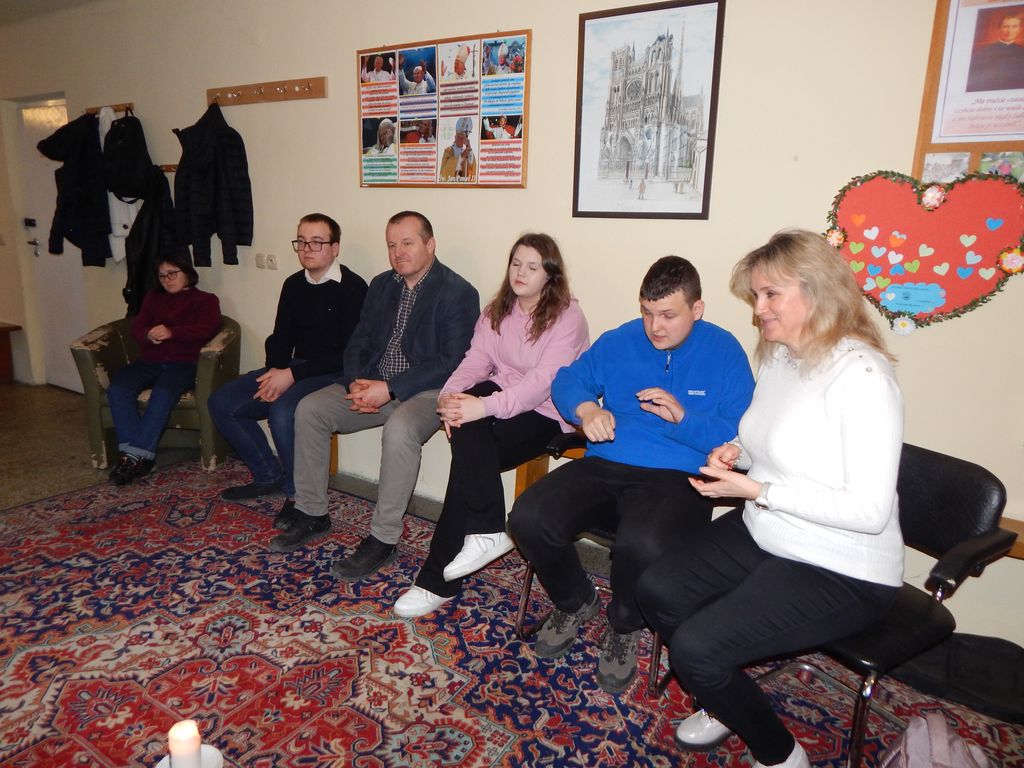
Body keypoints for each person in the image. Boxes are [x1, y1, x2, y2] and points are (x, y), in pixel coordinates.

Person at [635, 230, 904, 768]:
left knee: (696, 649)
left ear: (818, 291)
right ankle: (723, 691)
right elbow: (767, 442)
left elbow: (869, 513)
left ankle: (781, 755)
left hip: (842, 565)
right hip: (769, 528)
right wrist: (737, 453)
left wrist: (756, 489)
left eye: (770, 294)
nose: (758, 309)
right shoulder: (781, 358)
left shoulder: (863, 376)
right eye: (756, 295)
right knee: (657, 590)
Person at [508, 256, 754, 694]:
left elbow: (741, 434)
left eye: (668, 315)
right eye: (647, 312)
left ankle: (624, 625)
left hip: (678, 476)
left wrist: (684, 419)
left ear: (697, 309)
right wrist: (587, 409)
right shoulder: (620, 340)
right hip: (607, 463)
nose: (654, 326)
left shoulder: (724, 352)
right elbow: (568, 380)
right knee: (528, 516)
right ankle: (575, 600)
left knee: (642, 543)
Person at [393, 233, 590, 618]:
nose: (521, 272)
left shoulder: (568, 318)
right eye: (516, 263)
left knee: (468, 458)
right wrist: (448, 397)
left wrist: (481, 407)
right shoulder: (497, 310)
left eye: (532, 267)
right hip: (502, 399)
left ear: (550, 275)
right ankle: (486, 531)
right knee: (467, 427)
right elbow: (475, 361)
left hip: (548, 413)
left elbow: (540, 386)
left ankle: (437, 579)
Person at [275, 211, 479, 572]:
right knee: (310, 409)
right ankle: (311, 512)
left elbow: (451, 361)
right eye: (391, 245)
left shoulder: (458, 292)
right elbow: (359, 341)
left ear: (430, 245)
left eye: (407, 243)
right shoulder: (382, 284)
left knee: (399, 429)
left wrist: (391, 388)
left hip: (427, 392)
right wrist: (356, 381)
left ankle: (383, 538)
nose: (398, 252)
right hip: (375, 383)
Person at [210, 213, 367, 504]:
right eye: (301, 242)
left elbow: (349, 353)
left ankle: (299, 495)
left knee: (282, 412)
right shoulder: (293, 284)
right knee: (222, 402)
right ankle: (267, 474)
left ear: (335, 247)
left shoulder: (354, 287)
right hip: (295, 367)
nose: (307, 249)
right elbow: (280, 336)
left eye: (317, 242)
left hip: (334, 372)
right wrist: (276, 370)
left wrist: (291, 376)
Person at [106, 250, 221, 485]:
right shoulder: (153, 298)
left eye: (172, 273)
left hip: (185, 363)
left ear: (187, 272)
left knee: (163, 392)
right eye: (162, 276)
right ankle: (138, 458)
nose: (167, 280)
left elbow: (206, 329)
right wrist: (148, 334)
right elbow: (137, 327)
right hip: (151, 360)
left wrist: (172, 332)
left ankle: (132, 458)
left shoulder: (206, 300)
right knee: (118, 388)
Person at [966, 11, 1024, 92]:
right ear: (999, 28)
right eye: (1006, 26)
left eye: (1014, 26)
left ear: (1019, 29)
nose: (1009, 31)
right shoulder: (983, 52)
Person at [439, 117, 476, 182]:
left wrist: (469, 148)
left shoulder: (467, 151)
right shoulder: (448, 150)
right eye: (458, 137)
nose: (460, 140)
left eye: (462, 138)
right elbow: (445, 169)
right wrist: (461, 156)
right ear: (455, 137)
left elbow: (471, 166)